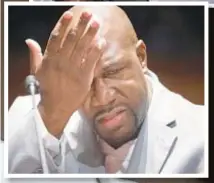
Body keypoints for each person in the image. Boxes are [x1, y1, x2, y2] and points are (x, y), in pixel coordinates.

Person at [8, 5, 205, 174]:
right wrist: (51, 114)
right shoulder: (28, 119)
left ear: (141, 57)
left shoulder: (202, 134)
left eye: (113, 72)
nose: (102, 98)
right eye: (83, 80)